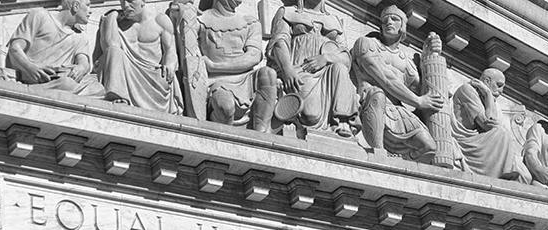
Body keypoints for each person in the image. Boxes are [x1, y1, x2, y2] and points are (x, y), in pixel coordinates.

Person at [351, 6, 439, 162]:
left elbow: (423, 91)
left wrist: (429, 58)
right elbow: (385, 77)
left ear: (403, 27)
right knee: (377, 93)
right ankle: (378, 152)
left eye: (394, 19)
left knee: (429, 147)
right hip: (371, 105)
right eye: (385, 20)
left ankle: (402, 162)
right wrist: (418, 101)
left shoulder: (406, 61)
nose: (388, 22)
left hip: (398, 111)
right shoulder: (366, 44)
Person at [266, 0, 358, 137]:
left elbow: (345, 57)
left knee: (340, 69)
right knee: (310, 114)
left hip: (330, 72)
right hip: (300, 69)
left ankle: (342, 120)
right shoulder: (287, 12)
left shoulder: (335, 20)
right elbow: (279, 42)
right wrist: (287, 70)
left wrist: (325, 58)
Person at [197, 0, 277, 131]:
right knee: (225, 107)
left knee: (268, 74)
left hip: (246, 79)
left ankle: (261, 134)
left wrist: (215, 66)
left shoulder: (250, 23)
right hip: (216, 82)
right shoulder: (201, 21)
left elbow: (254, 56)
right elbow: (187, 51)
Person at [94, 0, 182, 113]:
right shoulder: (119, 23)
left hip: (152, 76)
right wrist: (111, 16)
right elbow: (111, 47)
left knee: (165, 78)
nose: (125, 6)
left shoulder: (160, 20)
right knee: (114, 51)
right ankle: (119, 96)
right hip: (126, 74)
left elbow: (170, 50)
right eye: (122, 2)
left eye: (130, 1)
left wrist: (169, 64)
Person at [6, 0, 105, 97]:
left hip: (61, 78)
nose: (90, 10)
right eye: (87, 5)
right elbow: (15, 48)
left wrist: (81, 68)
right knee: (68, 83)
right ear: (76, 5)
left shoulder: (81, 37)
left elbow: (84, 62)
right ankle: (34, 89)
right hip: (35, 78)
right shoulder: (39, 16)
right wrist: (30, 67)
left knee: (97, 88)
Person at [451, 68, 530, 182]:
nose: (501, 91)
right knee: (502, 133)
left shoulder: (493, 103)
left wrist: (488, 97)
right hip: (467, 141)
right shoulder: (467, 90)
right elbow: (487, 124)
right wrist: (488, 94)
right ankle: (499, 175)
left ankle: (502, 175)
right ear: (487, 81)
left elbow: (493, 124)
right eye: (499, 85)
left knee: (525, 175)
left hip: (482, 142)